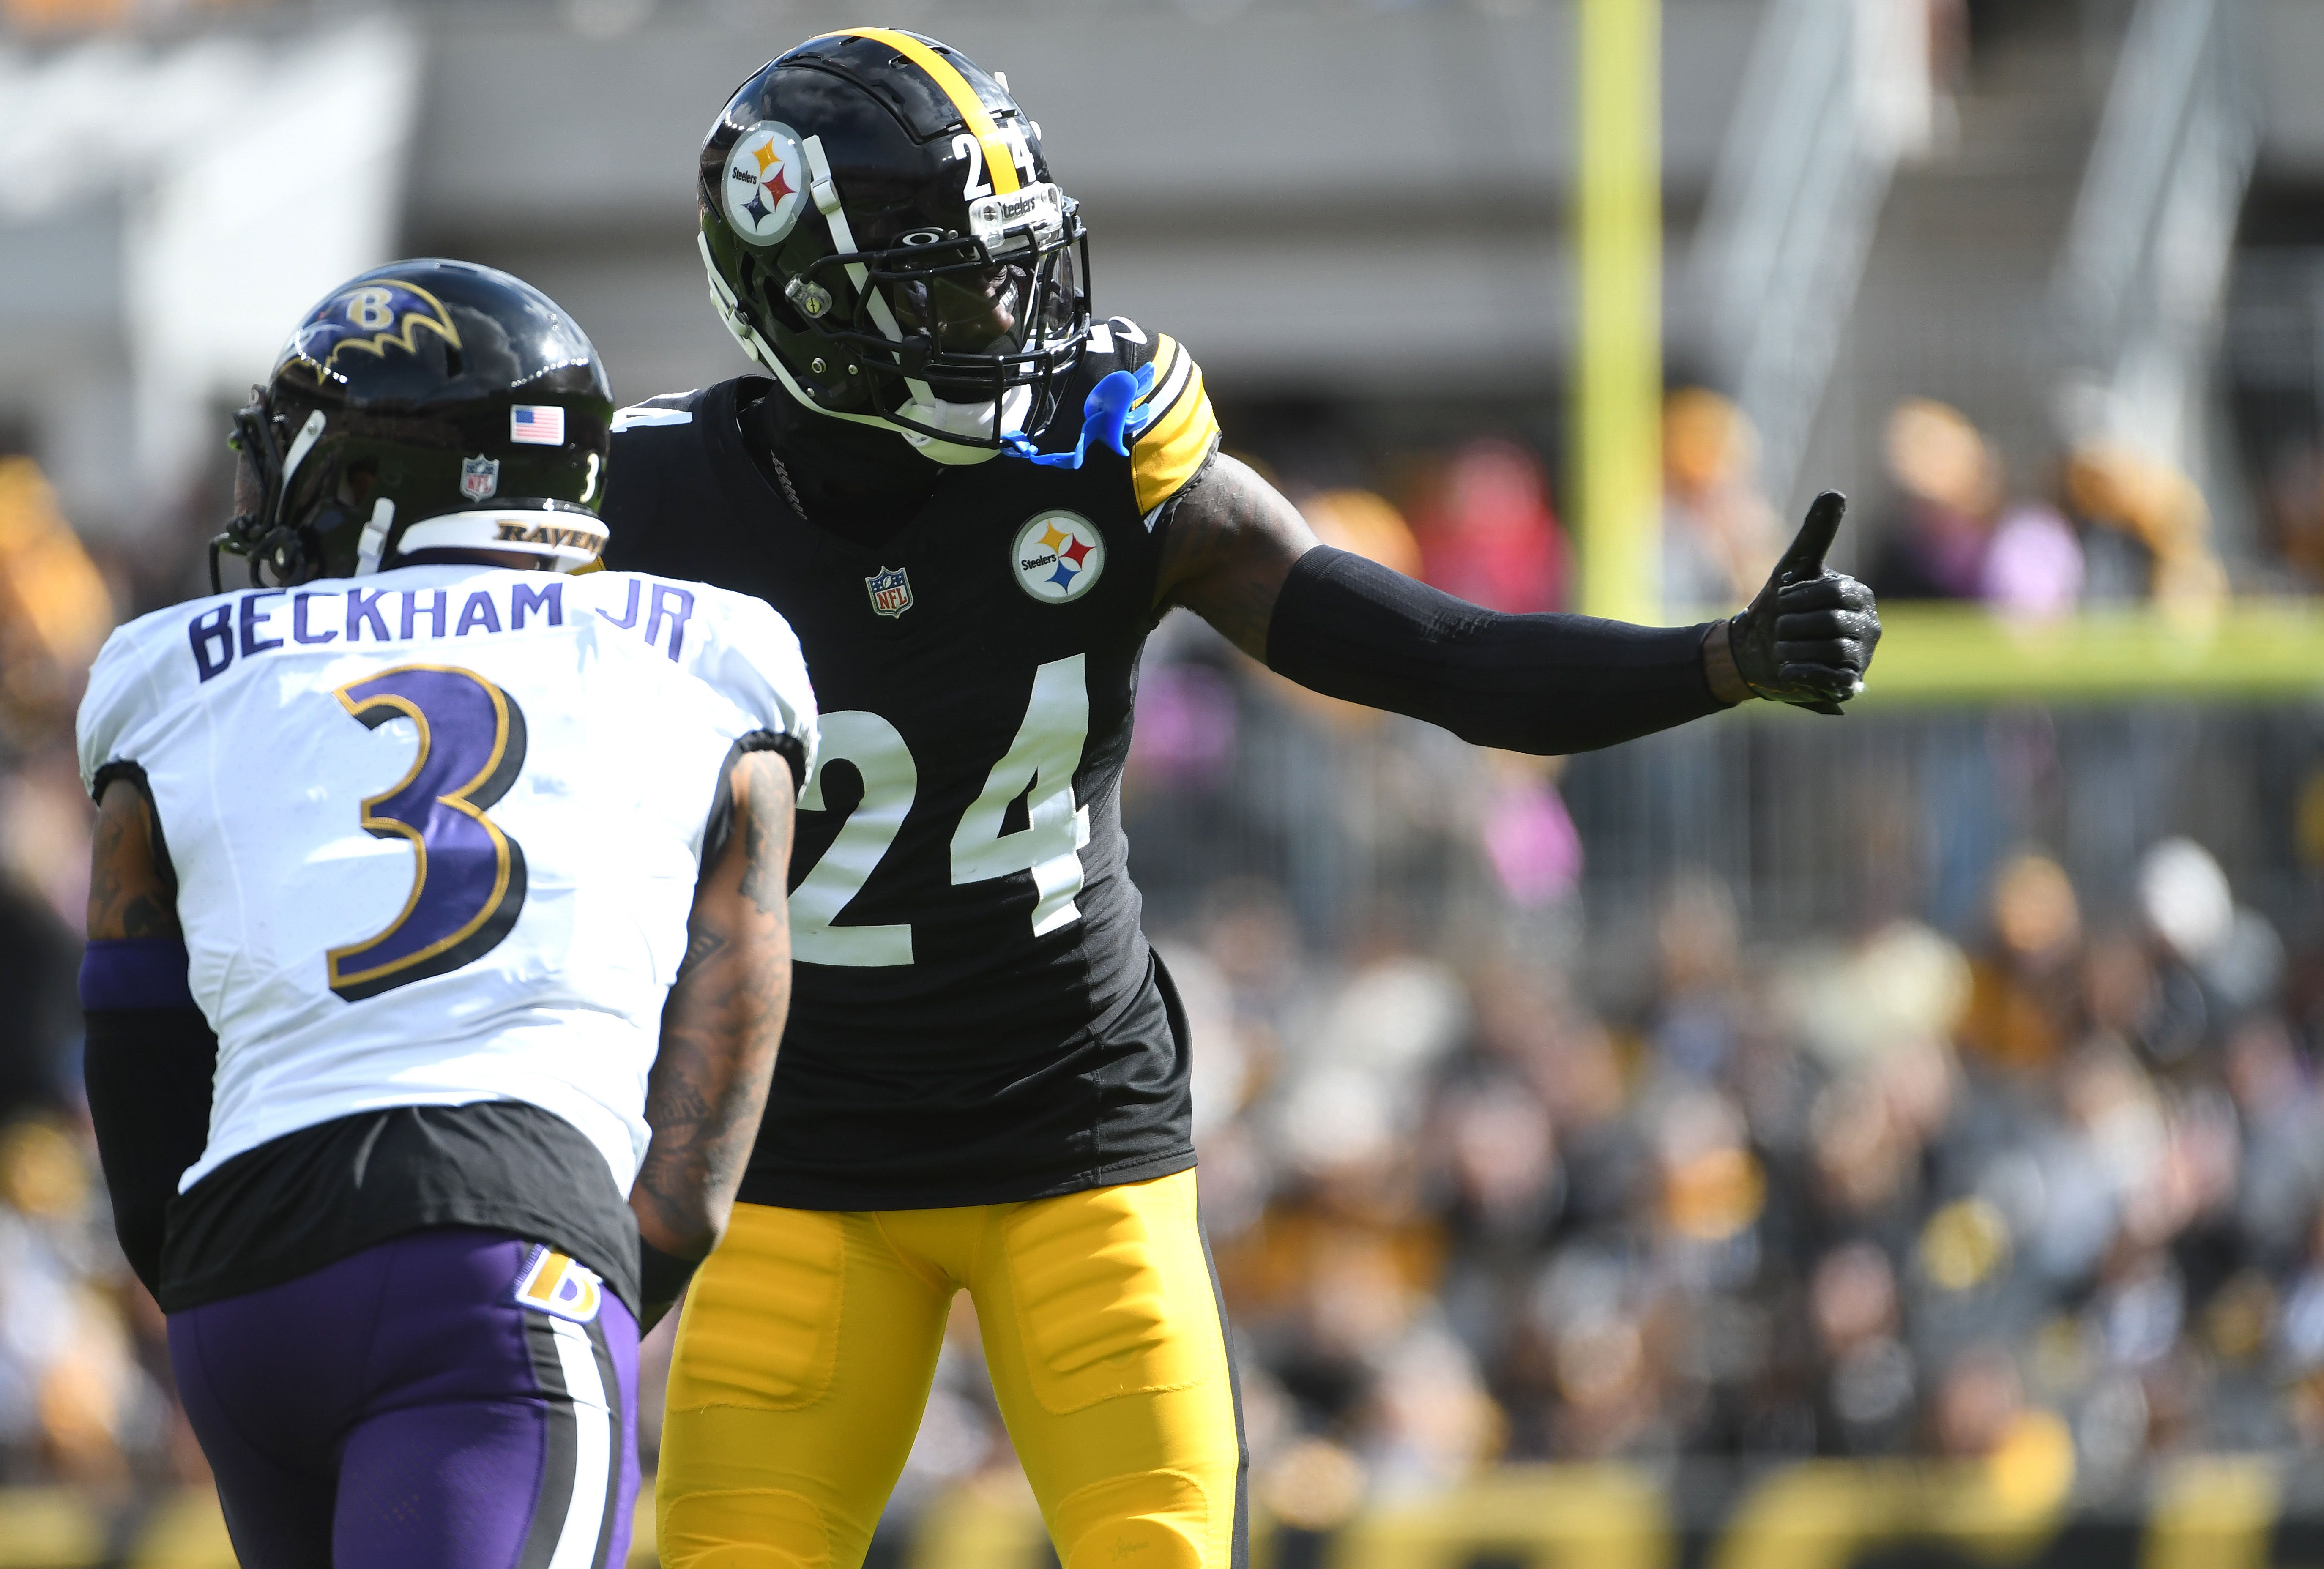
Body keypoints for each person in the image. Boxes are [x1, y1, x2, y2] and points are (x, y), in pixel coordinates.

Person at [599, 29, 1881, 1569]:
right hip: (799, 1169)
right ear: (813, 305)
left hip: (1070, 1140)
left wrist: (1721, 660)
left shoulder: (1104, 448)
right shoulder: (644, 509)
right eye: (952, 279)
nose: (1009, 312)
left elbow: (1435, 657)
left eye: (1015, 264)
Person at [74, 259, 818, 1569]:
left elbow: (133, 1037)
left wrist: (197, 1275)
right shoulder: (710, 654)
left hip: (243, 1281)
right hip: (500, 1248)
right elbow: (735, 1008)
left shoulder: (173, 673)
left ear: (368, 481)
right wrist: (599, 1266)